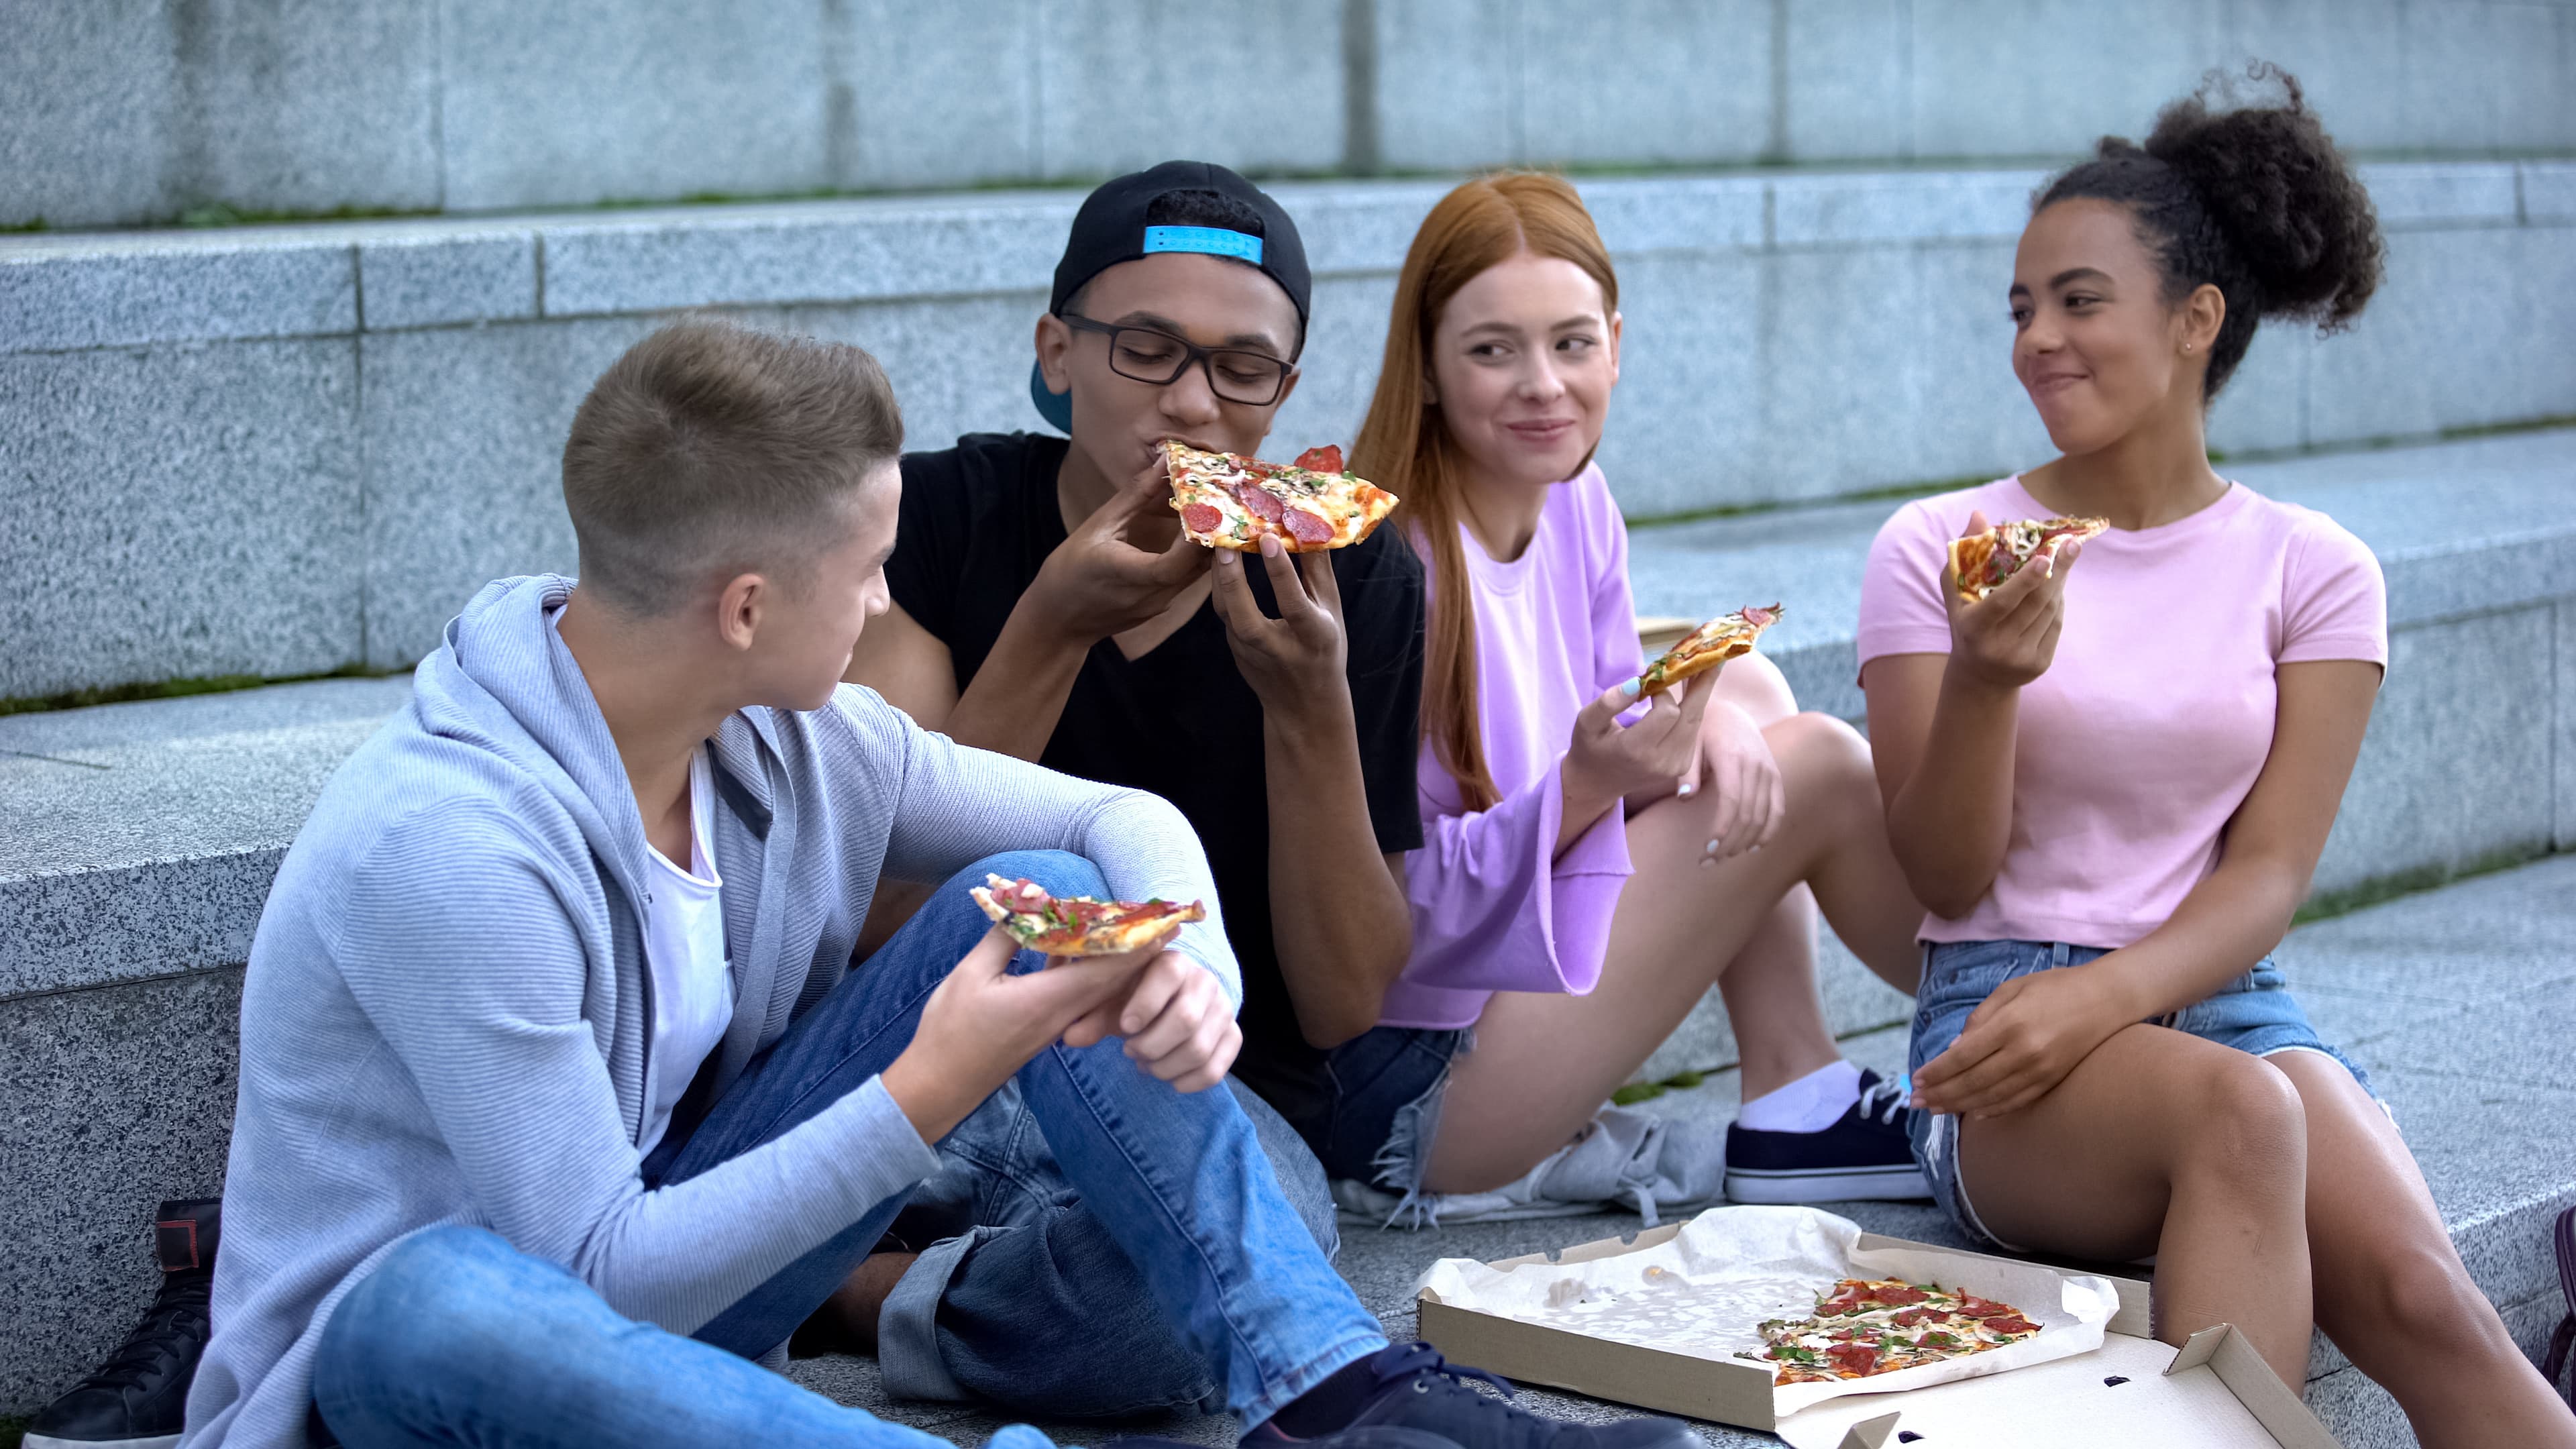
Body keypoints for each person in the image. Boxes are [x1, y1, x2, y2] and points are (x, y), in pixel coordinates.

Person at [178, 317, 1695, 1449]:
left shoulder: (791, 734)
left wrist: (1191, 969)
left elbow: (1116, 816)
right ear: (746, 606)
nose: (889, 599)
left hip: (676, 1263)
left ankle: (1332, 1392)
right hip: (442, 1360)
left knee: (1040, 888)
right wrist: (925, 1089)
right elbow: (601, 1279)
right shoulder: (452, 849)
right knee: (428, 1293)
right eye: (869, 568)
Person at [1858, 67, 2576, 1446]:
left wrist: (2111, 998)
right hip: (2002, 1029)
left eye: (2079, 301)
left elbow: (2267, 878)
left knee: (2427, 1297)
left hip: (2228, 1004)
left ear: (2196, 320)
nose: (2038, 339)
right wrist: (1987, 683)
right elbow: (1942, 873)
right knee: (2244, 1117)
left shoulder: (2315, 568)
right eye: (2021, 307)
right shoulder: (1940, 546)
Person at [838, 162, 1429, 1342]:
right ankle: (939, 1270)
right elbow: (875, 922)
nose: (1193, 404)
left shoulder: (1353, 576)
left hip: (1208, 1092)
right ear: (1058, 352)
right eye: (1146, 350)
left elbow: (1343, 1002)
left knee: (1193, 1294)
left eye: (1242, 368)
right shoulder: (939, 518)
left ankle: (849, 1289)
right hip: (940, 1068)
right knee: (1231, 1276)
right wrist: (1051, 630)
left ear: (1284, 392)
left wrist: (1309, 711)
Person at [1297, 172, 1932, 1228]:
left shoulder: (1576, 498)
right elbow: (1381, 926)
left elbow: (1611, 704)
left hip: (1508, 999)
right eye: (1493, 350)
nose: (1543, 385)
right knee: (1815, 763)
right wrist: (1586, 790)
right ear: (1429, 366)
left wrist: (1697, 720)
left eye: (1572, 343)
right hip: (1413, 1080)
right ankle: (2011, 995)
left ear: (1617, 346)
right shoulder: (1388, 575)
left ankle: (1795, 1079)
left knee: (1748, 694)